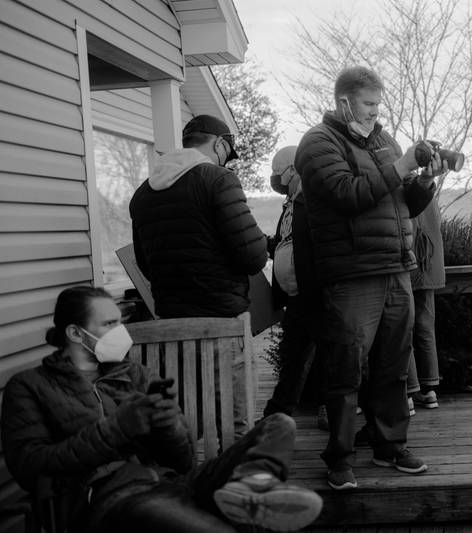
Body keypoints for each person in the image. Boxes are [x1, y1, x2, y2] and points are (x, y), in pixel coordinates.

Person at [0, 286, 322, 533]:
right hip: (113, 498)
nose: (121, 332)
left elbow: (182, 461)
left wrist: (169, 425)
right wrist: (117, 428)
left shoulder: (134, 374)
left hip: (173, 483)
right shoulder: (30, 386)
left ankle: (247, 488)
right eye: (109, 323)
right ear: (74, 333)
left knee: (279, 425)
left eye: (120, 322)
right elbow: (31, 466)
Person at [295, 65, 443, 490]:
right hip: (353, 274)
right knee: (346, 369)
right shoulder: (318, 143)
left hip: (397, 269)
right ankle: (339, 456)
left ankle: (388, 445)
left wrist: (426, 181)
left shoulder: (384, 141)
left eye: (379, 104)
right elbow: (347, 195)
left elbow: (402, 206)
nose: (376, 112)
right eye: (369, 104)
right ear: (344, 102)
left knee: (394, 367)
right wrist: (401, 165)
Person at [129, 114, 269, 439]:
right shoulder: (218, 179)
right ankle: (234, 484)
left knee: (188, 422)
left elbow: (144, 265)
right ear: (219, 144)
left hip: (172, 326)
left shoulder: (142, 195)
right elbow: (253, 257)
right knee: (237, 424)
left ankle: (191, 483)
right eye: (225, 152)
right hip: (223, 322)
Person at [262, 146, 328, 430]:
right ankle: (276, 417)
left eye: (280, 174)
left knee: (326, 355)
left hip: (314, 292)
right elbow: (283, 243)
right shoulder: (289, 203)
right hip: (294, 295)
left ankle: (331, 410)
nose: (278, 180)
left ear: (293, 169)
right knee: (293, 357)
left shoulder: (311, 197)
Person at [407, 196, 446, 410]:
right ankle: (429, 390)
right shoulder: (428, 193)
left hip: (409, 266)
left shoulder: (401, 187)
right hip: (430, 266)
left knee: (402, 330)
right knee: (425, 329)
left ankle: (408, 394)